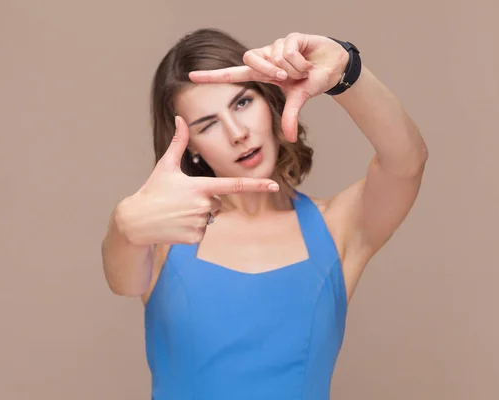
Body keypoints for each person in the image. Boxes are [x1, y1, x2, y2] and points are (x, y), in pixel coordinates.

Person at [101, 28, 428, 400]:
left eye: (242, 103)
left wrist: (345, 71)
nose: (237, 133)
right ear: (189, 147)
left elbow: (407, 162)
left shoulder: (336, 228)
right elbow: (123, 280)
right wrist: (122, 226)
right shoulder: (162, 236)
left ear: (269, 99)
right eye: (208, 124)